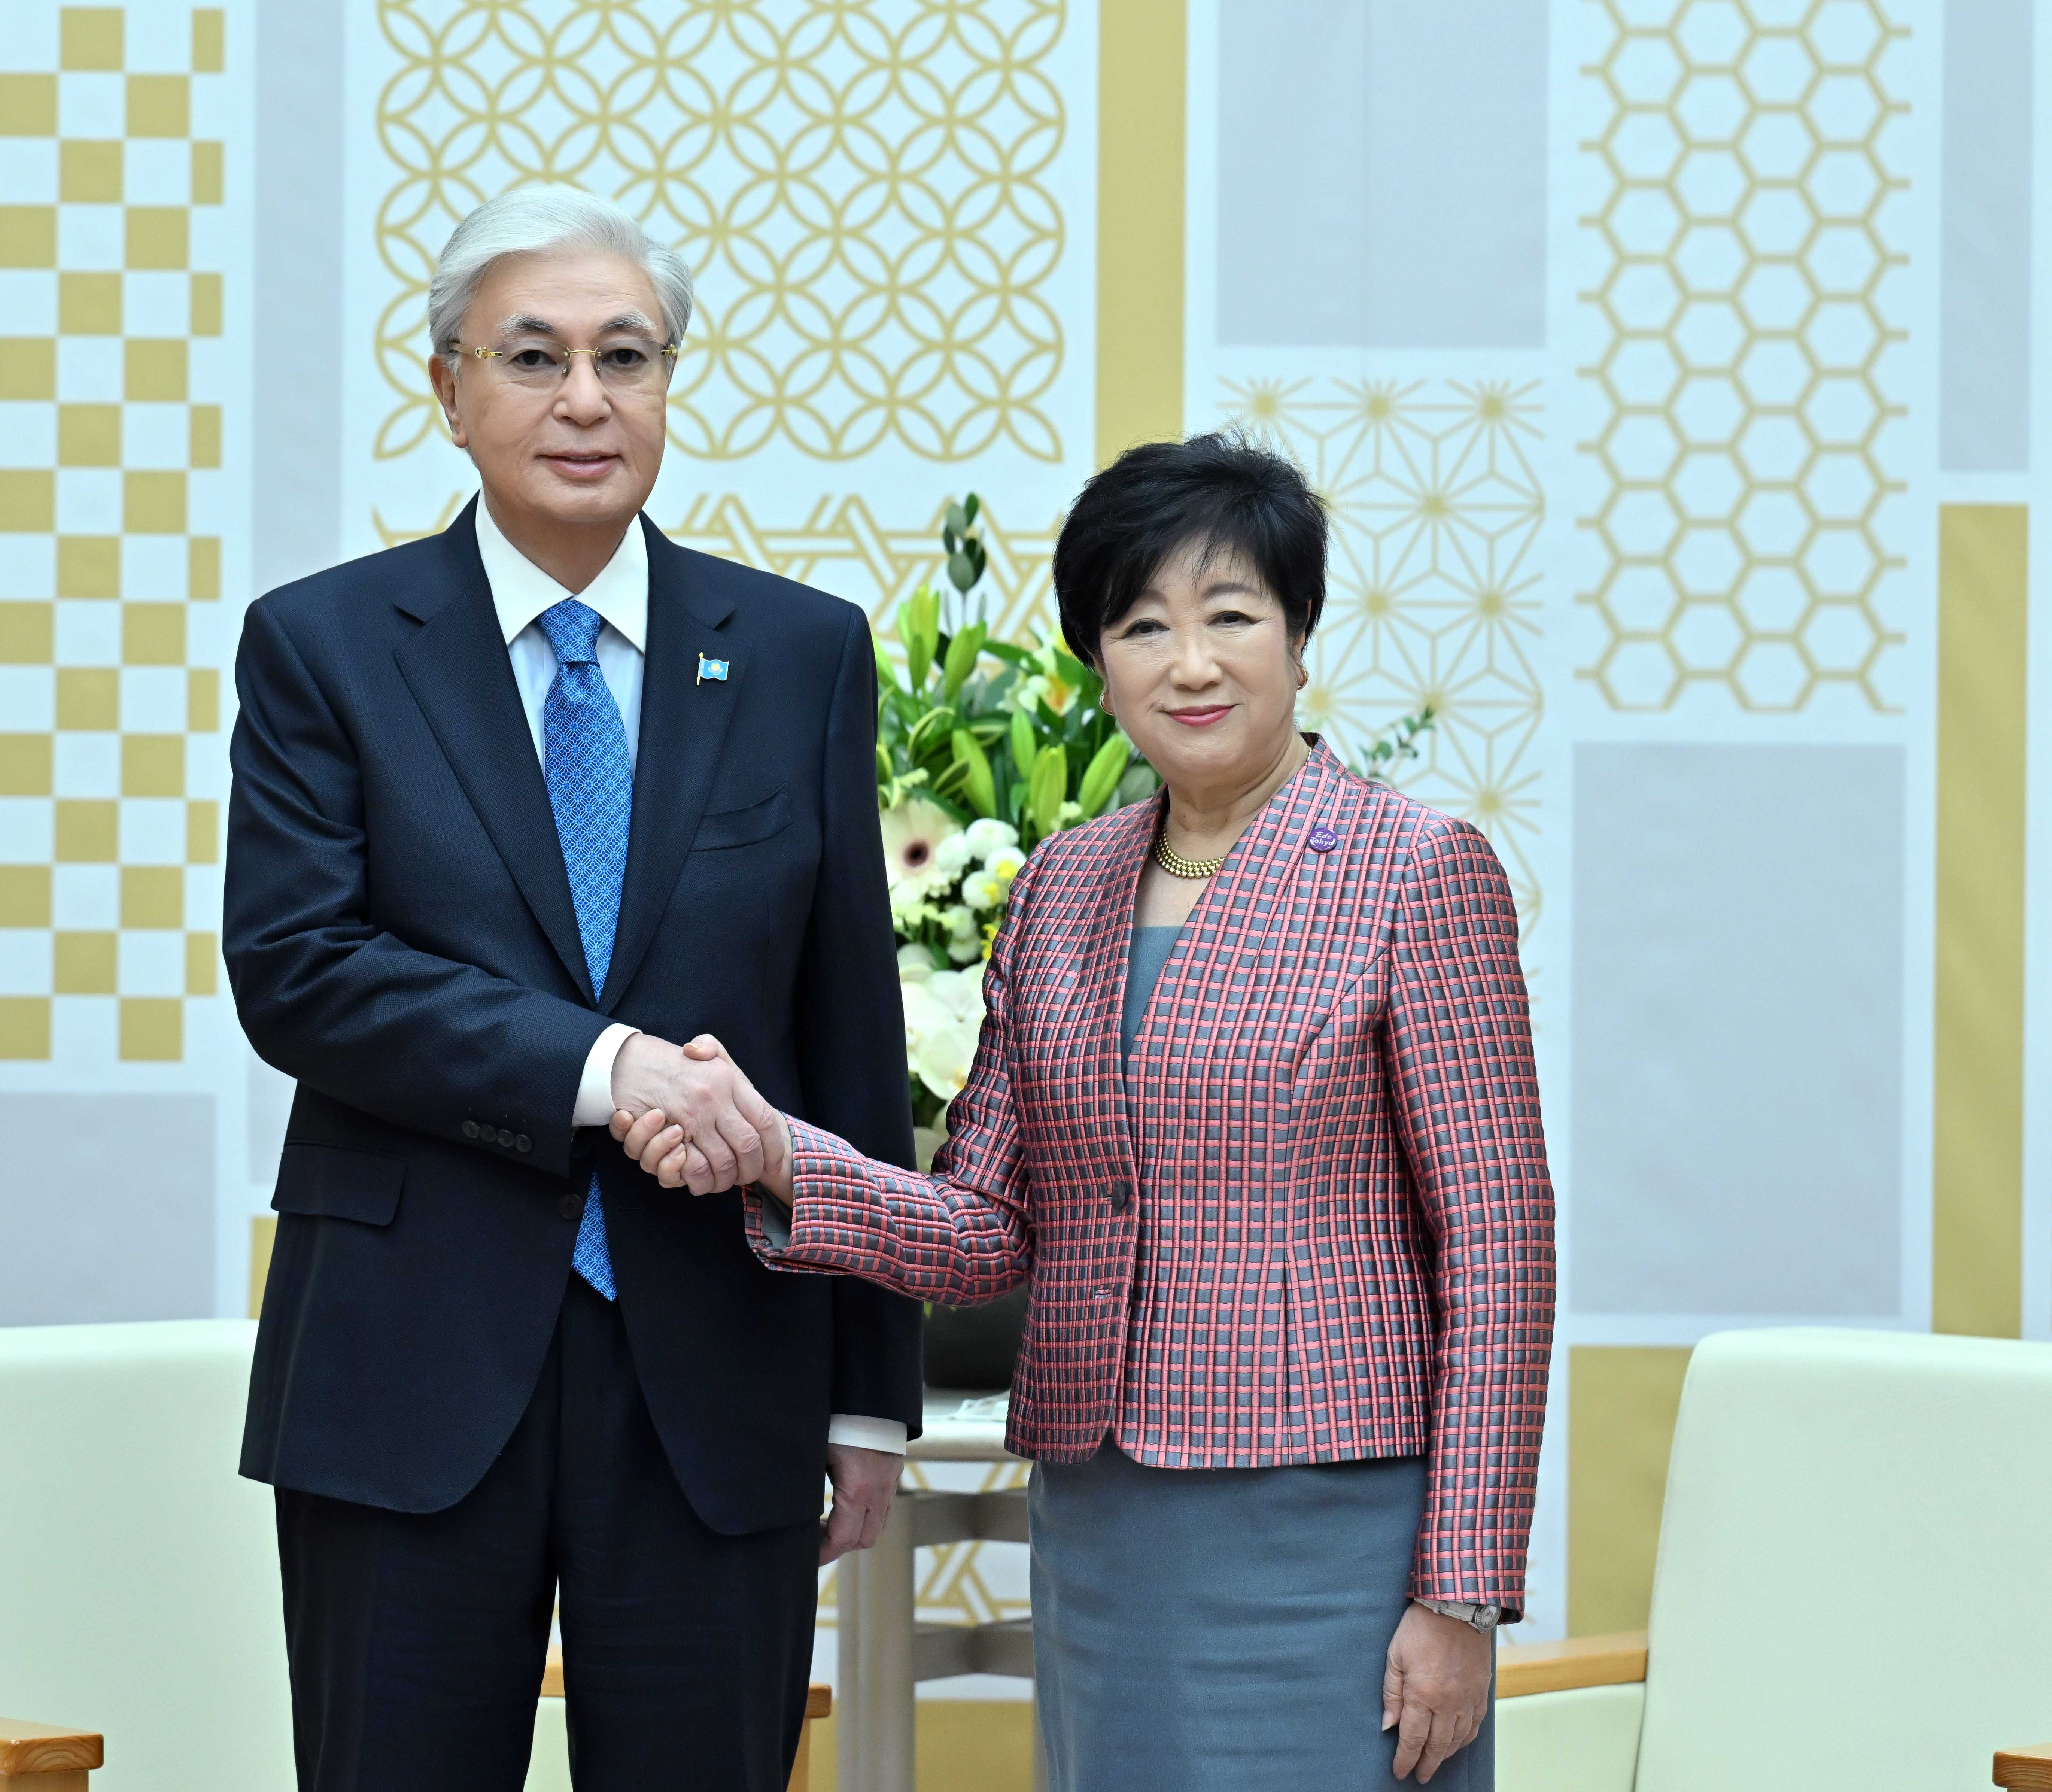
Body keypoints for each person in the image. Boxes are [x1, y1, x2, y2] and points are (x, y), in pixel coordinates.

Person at [615, 433, 1557, 1790]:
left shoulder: (1414, 870)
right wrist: (776, 1153)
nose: (1190, 661)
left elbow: (1499, 1251)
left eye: (1231, 616)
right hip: (1107, 1513)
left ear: (1298, 633)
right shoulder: (1063, 882)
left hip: (1329, 1527)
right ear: (1095, 660)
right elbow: (988, 1226)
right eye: (1141, 624)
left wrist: (1460, 1595)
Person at [225, 186, 921, 1792]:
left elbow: (847, 1027)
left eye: (629, 356)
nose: (587, 400)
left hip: (718, 1366)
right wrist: (613, 1072)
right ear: (448, 389)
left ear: (672, 383)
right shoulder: (326, 646)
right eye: (534, 358)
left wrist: (870, 1396)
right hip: (407, 1366)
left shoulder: (802, 649)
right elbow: (300, 970)